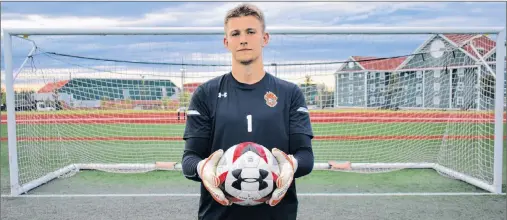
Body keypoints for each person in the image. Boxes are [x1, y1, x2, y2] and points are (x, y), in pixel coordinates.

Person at [181, 3, 314, 220]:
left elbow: (306, 157)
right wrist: (203, 168)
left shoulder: (290, 93)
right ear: (227, 42)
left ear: (265, 38)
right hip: (218, 214)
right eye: (236, 33)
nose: (243, 39)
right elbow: (190, 160)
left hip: (277, 214)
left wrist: (291, 165)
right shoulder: (205, 93)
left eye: (251, 31)